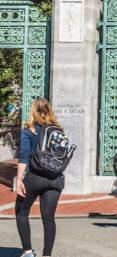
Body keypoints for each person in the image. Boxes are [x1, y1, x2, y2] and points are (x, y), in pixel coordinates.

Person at [15, 99, 65, 257]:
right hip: (55, 178)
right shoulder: (57, 129)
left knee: (21, 212)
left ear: (34, 111)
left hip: (35, 177)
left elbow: (23, 156)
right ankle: (47, 254)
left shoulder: (29, 129)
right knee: (48, 217)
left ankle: (28, 251)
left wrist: (19, 179)